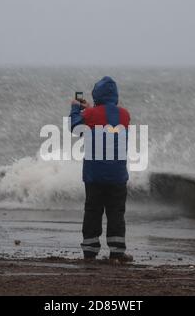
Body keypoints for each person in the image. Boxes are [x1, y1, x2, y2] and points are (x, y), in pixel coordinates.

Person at [69, 76, 133, 262]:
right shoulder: (125, 115)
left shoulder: (89, 115)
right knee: (116, 213)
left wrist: (75, 108)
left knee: (93, 211)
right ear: (115, 95)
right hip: (118, 176)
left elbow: (75, 128)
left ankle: (90, 251)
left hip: (94, 176)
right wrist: (90, 109)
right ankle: (117, 251)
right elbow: (105, 119)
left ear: (96, 95)